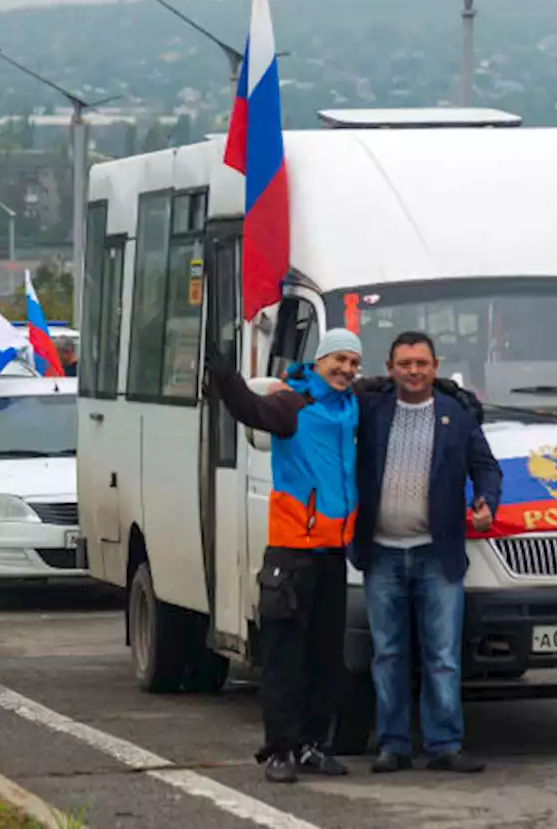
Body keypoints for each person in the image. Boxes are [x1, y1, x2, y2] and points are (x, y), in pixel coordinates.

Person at [204, 328, 363, 784]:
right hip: (292, 555)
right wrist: (224, 375)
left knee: (327, 658)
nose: (347, 370)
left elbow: (395, 386)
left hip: (333, 553)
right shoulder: (293, 404)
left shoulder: (350, 404)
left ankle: (315, 745)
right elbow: (249, 410)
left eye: (353, 363)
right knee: (285, 658)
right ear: (321, 360)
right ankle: (280, 751)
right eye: (339, 360)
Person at [353, 331, 501, 775]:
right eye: (405, 364)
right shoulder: (371, 413)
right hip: (381, 554)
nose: (413, 371)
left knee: (442, 657)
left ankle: (444, 745)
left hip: (437, 555)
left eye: (421, 363)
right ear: (390, 367)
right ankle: (393, 745)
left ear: (435, 367)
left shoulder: (456, 415)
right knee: (388, 655)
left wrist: (486, 502)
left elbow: (486, 468)